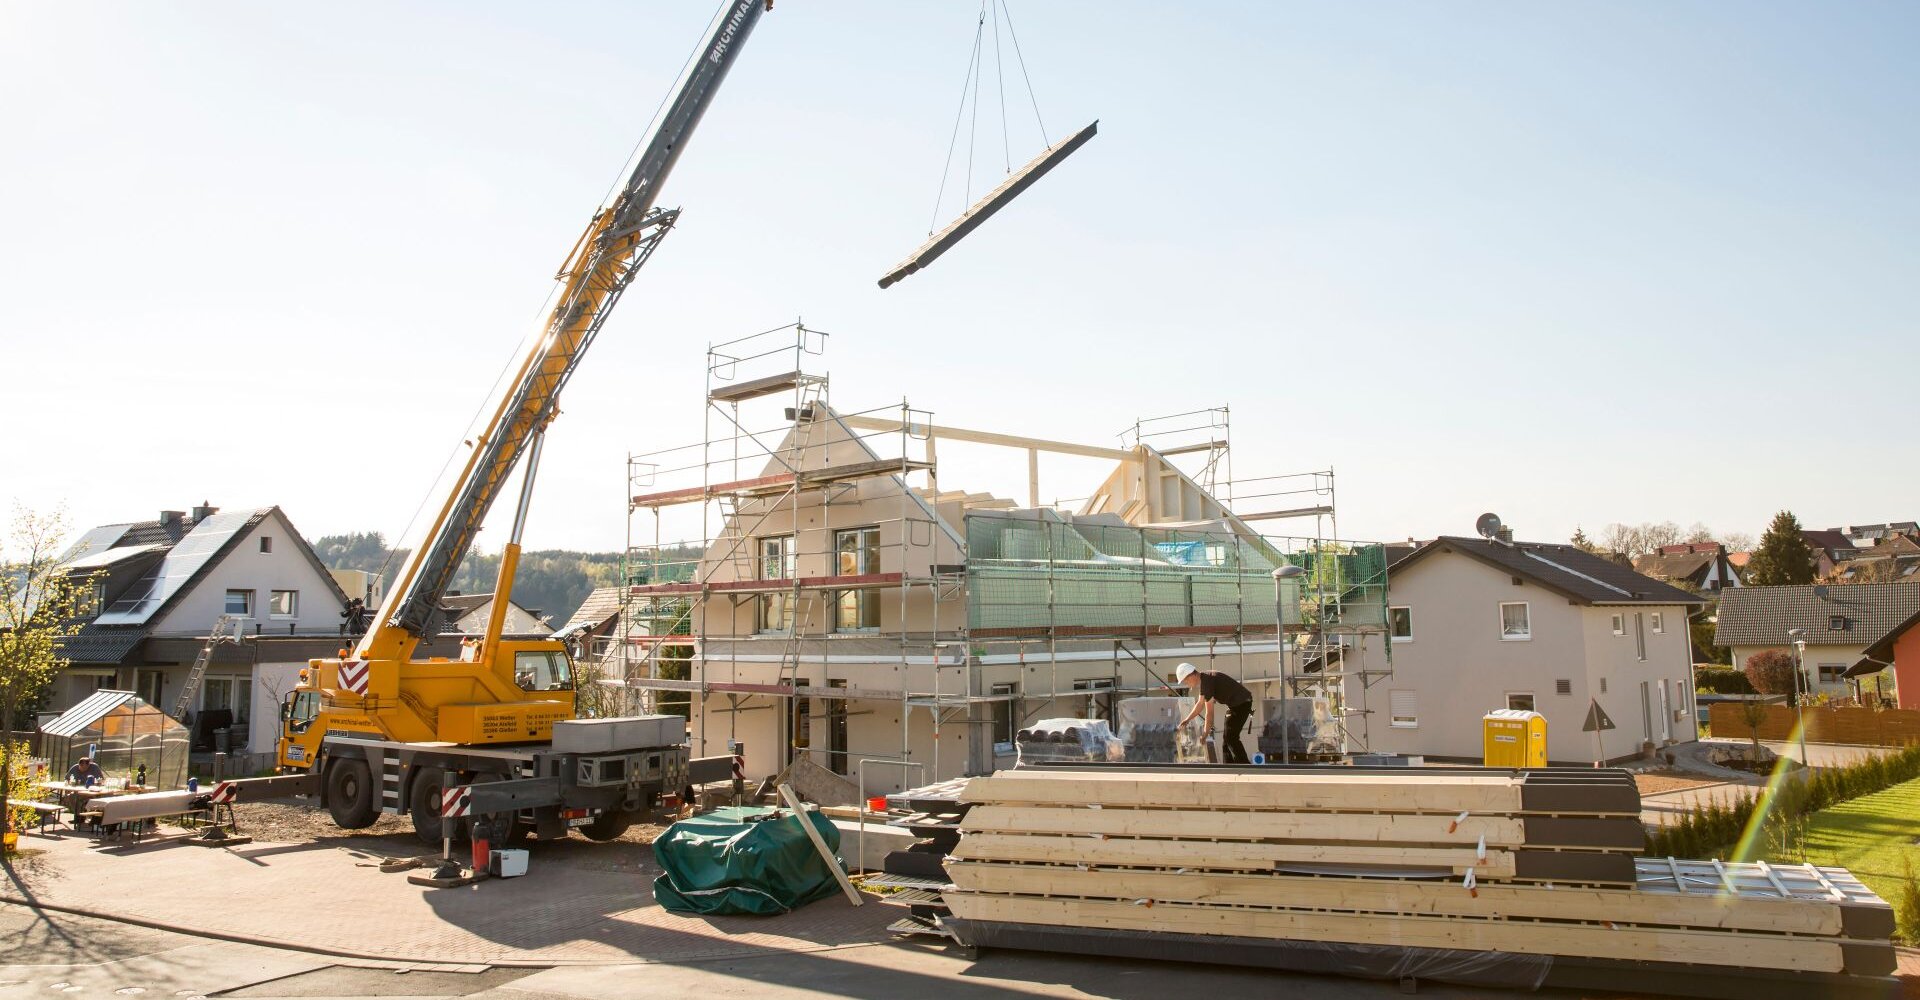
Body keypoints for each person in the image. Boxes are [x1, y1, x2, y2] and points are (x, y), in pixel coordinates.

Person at [1175, 662, 1254, 765]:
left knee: (1231, 738)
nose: (1186, 684)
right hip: (1237, 705)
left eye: (1186, 680)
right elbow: (1200, 704)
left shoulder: (1207, 683)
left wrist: (1205, 734)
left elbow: (1209, 714)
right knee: (1227, 739)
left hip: (1242, 704)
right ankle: (1228, 767)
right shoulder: (1205, 679)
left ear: (1191, 675)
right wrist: (1187, 719)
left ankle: (1245, 766)